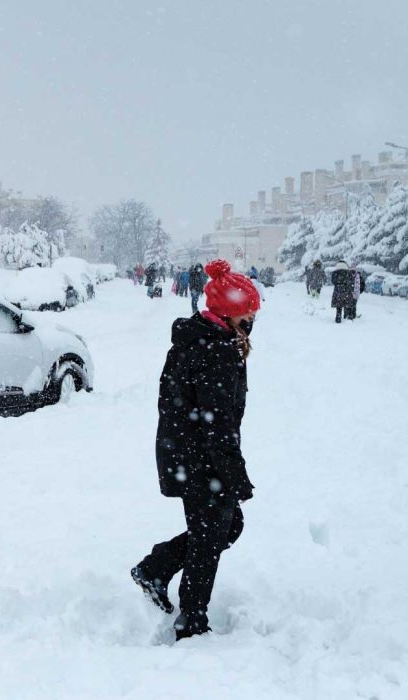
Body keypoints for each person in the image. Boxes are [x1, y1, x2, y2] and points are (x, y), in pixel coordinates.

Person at [131, 259, 259, 641]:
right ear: (230, 311)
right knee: (210, 536)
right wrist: (236, 476)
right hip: (201, 460)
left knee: (222, 527)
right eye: (248, 308)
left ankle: (156, 568)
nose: (253, 314)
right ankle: (192, 618)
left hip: (190, 455)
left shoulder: (204, 338)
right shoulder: (215, 350)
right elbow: (217, 426)